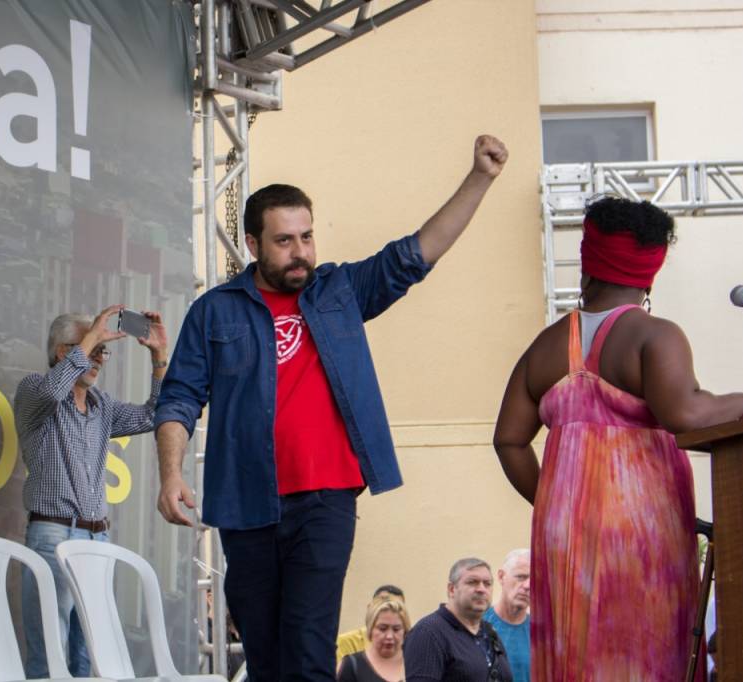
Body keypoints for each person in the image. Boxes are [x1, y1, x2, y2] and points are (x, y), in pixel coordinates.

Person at [154, 135, 508, 681]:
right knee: (265, 656)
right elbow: (178, 396)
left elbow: (415, 254)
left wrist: (480, 177)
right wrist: (171, 473)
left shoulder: (339, 290)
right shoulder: (214, 312)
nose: (300, 252)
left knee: (309, 649)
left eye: (307, 237)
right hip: (247, 502)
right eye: (284, 241)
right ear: (253, 244)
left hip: (325, 499)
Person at [493, 196, 743, 680]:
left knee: (578, 656)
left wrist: (557, 504)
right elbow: (686, 412)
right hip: (642, 530)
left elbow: (508, 441)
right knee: (646, 652)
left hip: (564, 535)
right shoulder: (653, 335)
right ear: (649, 274)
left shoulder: (546, 346)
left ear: (587, 267)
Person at [15, 306, 168, 677]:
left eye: (103, 350)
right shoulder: (34, 391)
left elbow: (154, 414)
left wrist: (160, 358)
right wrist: (94, 335)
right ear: (63, 352)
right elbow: (54, 389)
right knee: (50, 655)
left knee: (87, 654)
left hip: (97, 539)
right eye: (94, 348)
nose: (100, 358)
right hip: (52, 534)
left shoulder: (103, 407)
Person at [403, 558, 512, 681]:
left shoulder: (490, 633)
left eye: (487, 583)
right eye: (472, 582)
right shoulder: (428, 633)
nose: (481, 589)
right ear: (451, 589)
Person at [482, 550, 529, 682]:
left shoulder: (542, 635)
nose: (528, 586)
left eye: (535, 580)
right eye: (521, 577)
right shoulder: (477, 626)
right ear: (502, 576)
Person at [338, 599, 410, 682]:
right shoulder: (351, 666)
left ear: (405, 631)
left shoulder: (416, 663)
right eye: (383, 629)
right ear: (370, 629)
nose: (389, 636)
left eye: (396, 629)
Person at [338, 585, 407, 665]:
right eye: (383, 607)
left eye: (397, 608)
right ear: (370, 609)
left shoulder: (409, 645)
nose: (389, 612)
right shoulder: (346, 642)